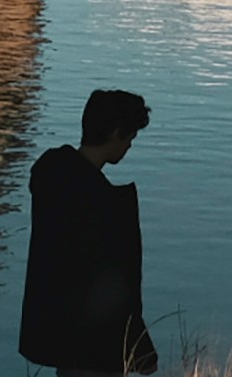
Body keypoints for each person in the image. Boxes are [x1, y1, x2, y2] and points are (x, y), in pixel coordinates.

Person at [19, 89, 155, 375]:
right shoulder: (104, 205)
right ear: (116, 133)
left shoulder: (52, 178)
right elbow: (118, 285)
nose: (129, 146)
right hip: (98, 347)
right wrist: (140, 349)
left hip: (61, 338)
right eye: (130, 138)